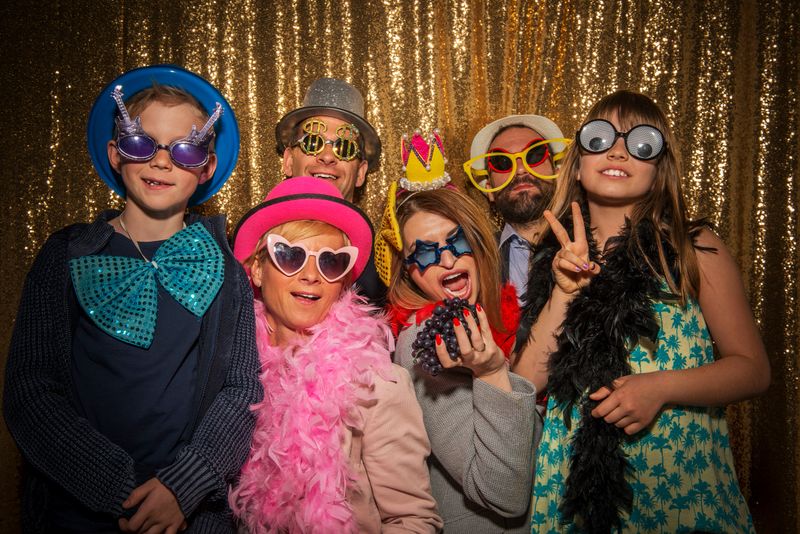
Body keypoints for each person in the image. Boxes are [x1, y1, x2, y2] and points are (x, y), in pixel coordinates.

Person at [3, 64, 261, 533]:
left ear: (204, 168)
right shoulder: (64, 255)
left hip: (191, 516)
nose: (161, 162)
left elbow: (241, 390)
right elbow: (31, 391)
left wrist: (182, 487)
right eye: (142, 144)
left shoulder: (226, 270)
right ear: (115, 153)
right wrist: (119, 489)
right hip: (76, 513)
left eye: (184, 150)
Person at [513, 90, 770, 533]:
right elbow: (526, 381)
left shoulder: (693, 248)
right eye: (600, 138)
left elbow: (753, 370)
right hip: (573, 482)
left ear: (658, 168)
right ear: (577, 162)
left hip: (678, 477)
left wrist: (659, 388)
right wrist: (562, 292)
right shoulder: (551, 258)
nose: (617, 149)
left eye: (641, 142)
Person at [229, 176, 442, 533]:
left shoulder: (378, 384)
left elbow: (414, 522)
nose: (311, 275)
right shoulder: (230, 372)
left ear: (343, 279)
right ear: (257, 269)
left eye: (330, 262)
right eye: (290, 255)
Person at [383, 131, 541, 534]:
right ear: (409, 270)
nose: (448, 257)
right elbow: (502, 494)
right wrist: (490, 374)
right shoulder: (425, 340)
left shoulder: (490, 317)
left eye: (456, 241)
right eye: (425, 251)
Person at [275, 77, 386, 305]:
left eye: (344, 148)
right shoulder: (255, 249)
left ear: (361, 172)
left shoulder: (384, 266)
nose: (327, 157)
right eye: (313, 142)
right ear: (288, 161)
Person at [464, 114, 568, 305]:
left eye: (534, 155)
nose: (520, 169)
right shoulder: (473, 261)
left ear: (557, 173)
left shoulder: (592, 237)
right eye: (502, 162)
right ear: (489, 190)